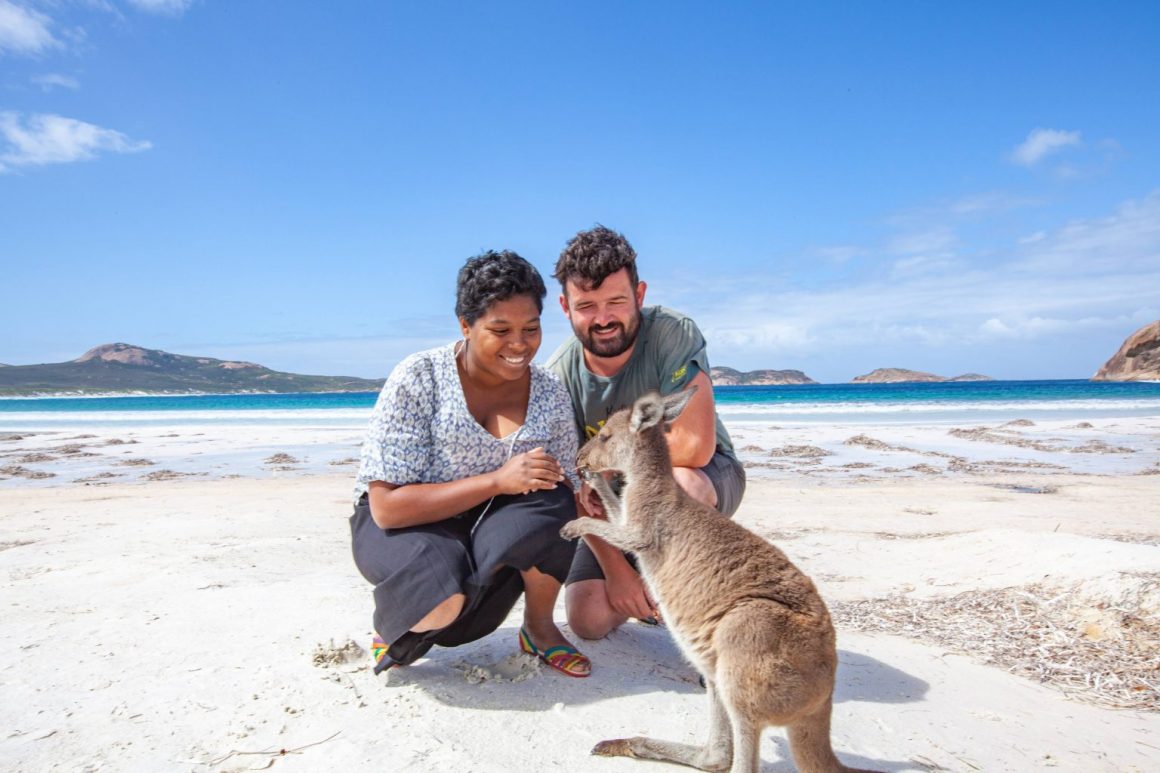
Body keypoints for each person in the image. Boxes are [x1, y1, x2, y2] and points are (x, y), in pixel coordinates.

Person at [349, 250, 591, 677]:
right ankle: (401, 618)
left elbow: (571, 489)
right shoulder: (419, 376)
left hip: (485, 526)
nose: (520, 345)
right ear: (465, 324)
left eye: (531, 329)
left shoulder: (550, 393)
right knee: (441, 608)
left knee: (555, 497)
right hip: (405, 524)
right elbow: (387, 508)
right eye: (501, 330)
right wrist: (497, 480)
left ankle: (538, 626)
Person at [546, 226, 746, 640]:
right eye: (587, 306)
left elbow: (693, 445)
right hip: (613, 501)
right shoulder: (557, 376)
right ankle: (643, 579)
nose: (602, 319)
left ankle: (706, 618)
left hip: (704, 475)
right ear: (566, 307)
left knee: (684, 485)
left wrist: (606, 471)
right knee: (588, 620)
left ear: (639, 294)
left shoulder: (673, 333)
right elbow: (575, 484)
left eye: (616, 301)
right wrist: (619, 575)